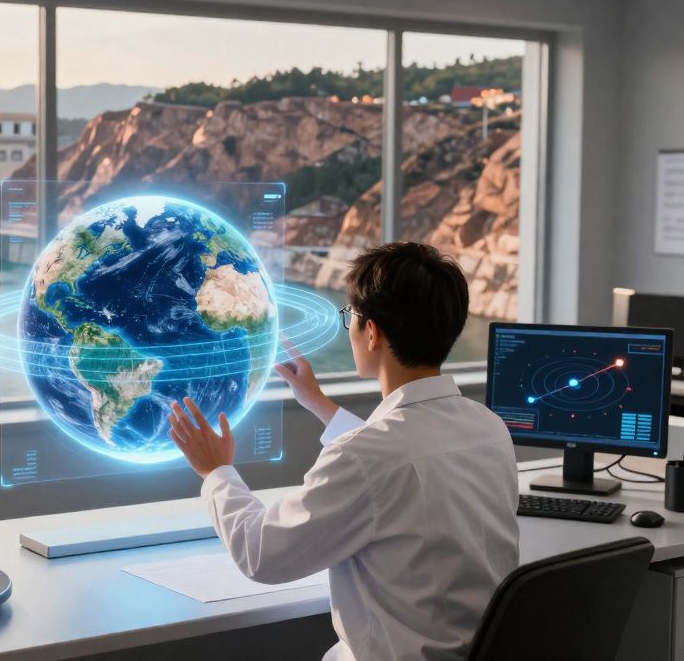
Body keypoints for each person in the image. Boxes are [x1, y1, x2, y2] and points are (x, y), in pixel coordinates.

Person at [168, 242, 518, 661]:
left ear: (372, 333)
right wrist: (319, 404)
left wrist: (216, 471)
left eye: (349, 316)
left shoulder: (367, 456)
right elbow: (399, 463)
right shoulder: (489, 429)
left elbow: (261, 554)